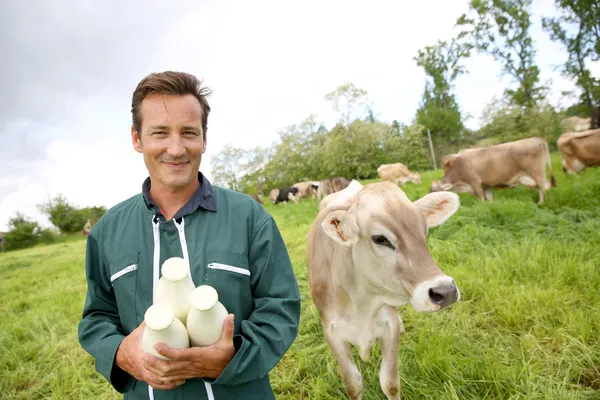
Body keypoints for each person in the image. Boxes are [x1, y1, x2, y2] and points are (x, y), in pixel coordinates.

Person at [78, 71, 301, 400]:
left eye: (188, 133)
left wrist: (234, 356)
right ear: (137, 139)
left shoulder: (249, 217)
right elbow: (97, 316)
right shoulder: (107, 232)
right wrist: (121, 351)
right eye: (160, 133)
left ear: (204, 139)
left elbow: (280, 306)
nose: (177, 148)